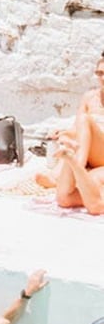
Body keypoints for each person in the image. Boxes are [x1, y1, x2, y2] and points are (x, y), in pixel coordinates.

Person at [48, 53, 104, 213]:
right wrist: (64, 133)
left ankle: (65, 172)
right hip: (90, 154)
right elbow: (78, 128)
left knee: (85, 120)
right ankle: (66, 170)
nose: (102, 78)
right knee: (69, 135)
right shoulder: (89, 97)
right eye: (99, 73)